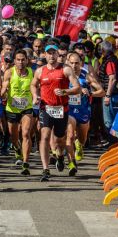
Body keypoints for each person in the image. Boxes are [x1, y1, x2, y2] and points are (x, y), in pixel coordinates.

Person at [31, 45, 81, 182]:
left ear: (57, 54)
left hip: (61, 109)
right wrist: (35, 96)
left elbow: (78, 88)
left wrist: (65, 91)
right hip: (45, 108)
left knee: (59, 140)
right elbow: (33, 84)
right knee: (45, 136)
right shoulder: (40, 71)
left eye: (54, 53)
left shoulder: (65, 69)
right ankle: (45, 170)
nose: (51, 56)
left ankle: (59, 156)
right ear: (45, 55)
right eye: (49, 53)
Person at [65, 52, 103, 175]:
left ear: (81, 63)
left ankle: (79, 145)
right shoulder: (64, 76)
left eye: (77, 63)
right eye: (71, 63)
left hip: (83, 111)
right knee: (70, 136)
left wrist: (90, 93)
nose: (74, 65)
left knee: (82, 138)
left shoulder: (86, 76)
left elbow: (102, 91)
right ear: (67, 63)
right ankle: (71, 163)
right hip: (69, 110)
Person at [0, 49, 34, 176]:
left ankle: (25, 162)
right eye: (18, 59)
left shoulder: (32, 72)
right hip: (12, 109)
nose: (20, 62)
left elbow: (36, 86)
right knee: (14, 138)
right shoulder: (9, 72)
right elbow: (4, 88)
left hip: (27, 108)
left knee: (25, 133)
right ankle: (17, 149)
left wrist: (37, 96)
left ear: (27, 60)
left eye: (23, 59)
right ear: (14, 61)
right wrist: (3, 93)